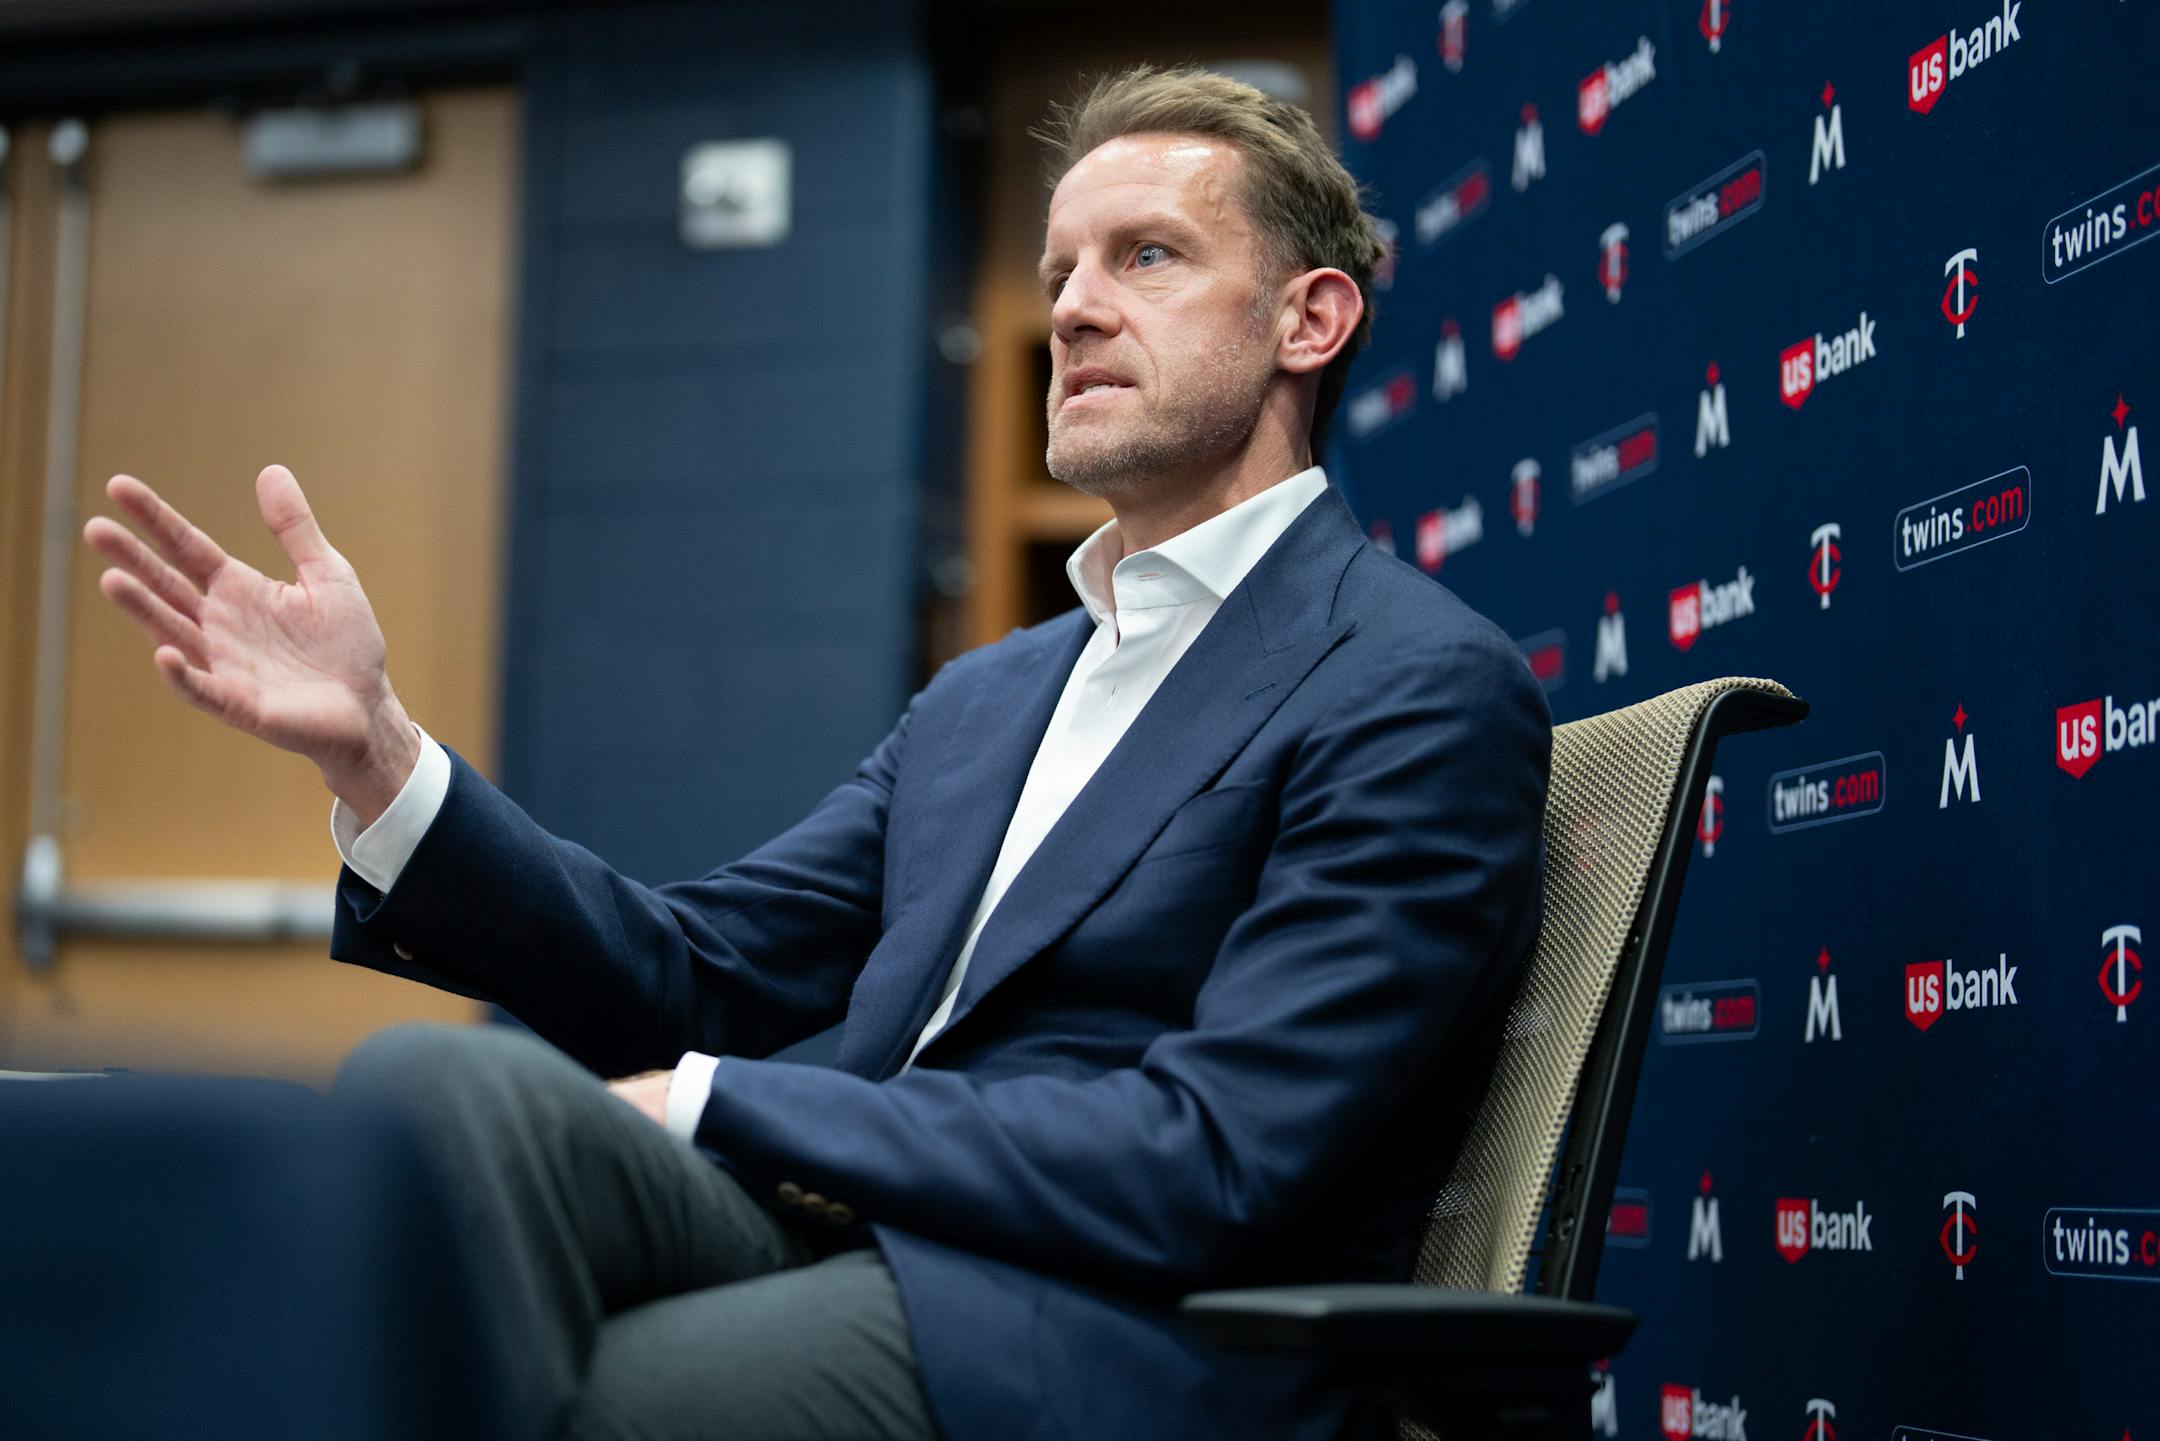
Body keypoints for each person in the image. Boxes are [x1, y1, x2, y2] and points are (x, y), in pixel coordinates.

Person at [82, 65, 1550, 1441]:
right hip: (849, 1226)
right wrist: (380, 757)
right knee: (431, 1091)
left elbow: (1214, 1154)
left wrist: (720, 1101)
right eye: (1058, 272)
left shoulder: (1412, 684)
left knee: (591, 1391)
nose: (1074, 310)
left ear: (1309, 321)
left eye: (1145, 257)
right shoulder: (989, 695)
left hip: (1121, 1323)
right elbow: (691, 975)